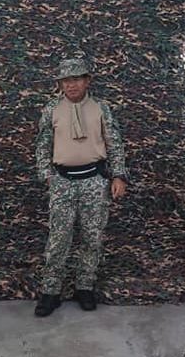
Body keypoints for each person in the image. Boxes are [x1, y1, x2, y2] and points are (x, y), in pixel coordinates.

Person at [34, 57, 128, 317]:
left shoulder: (100, 108)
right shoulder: (52, 108)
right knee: (58, 239)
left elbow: (114, 143)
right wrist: (47, 176)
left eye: (76, 79)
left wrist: (118, 176)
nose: (71, 85)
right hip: (62, 182)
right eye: (65, 80)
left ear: (87, 81)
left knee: (92, 237)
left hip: (94, 181)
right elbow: (43, 144)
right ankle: (50, 292)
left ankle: (84, 287)